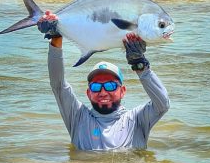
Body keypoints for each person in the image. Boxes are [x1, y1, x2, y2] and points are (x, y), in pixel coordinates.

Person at [37, 11, 170, 150]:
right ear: (88, 93)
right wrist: (57, 36)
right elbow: (58, 85)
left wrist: (140, 66)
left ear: (122, 91)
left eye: (110, 85)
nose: (103, 92)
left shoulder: (137, 119)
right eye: (96, 87)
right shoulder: (77, 117)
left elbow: (163, 104)